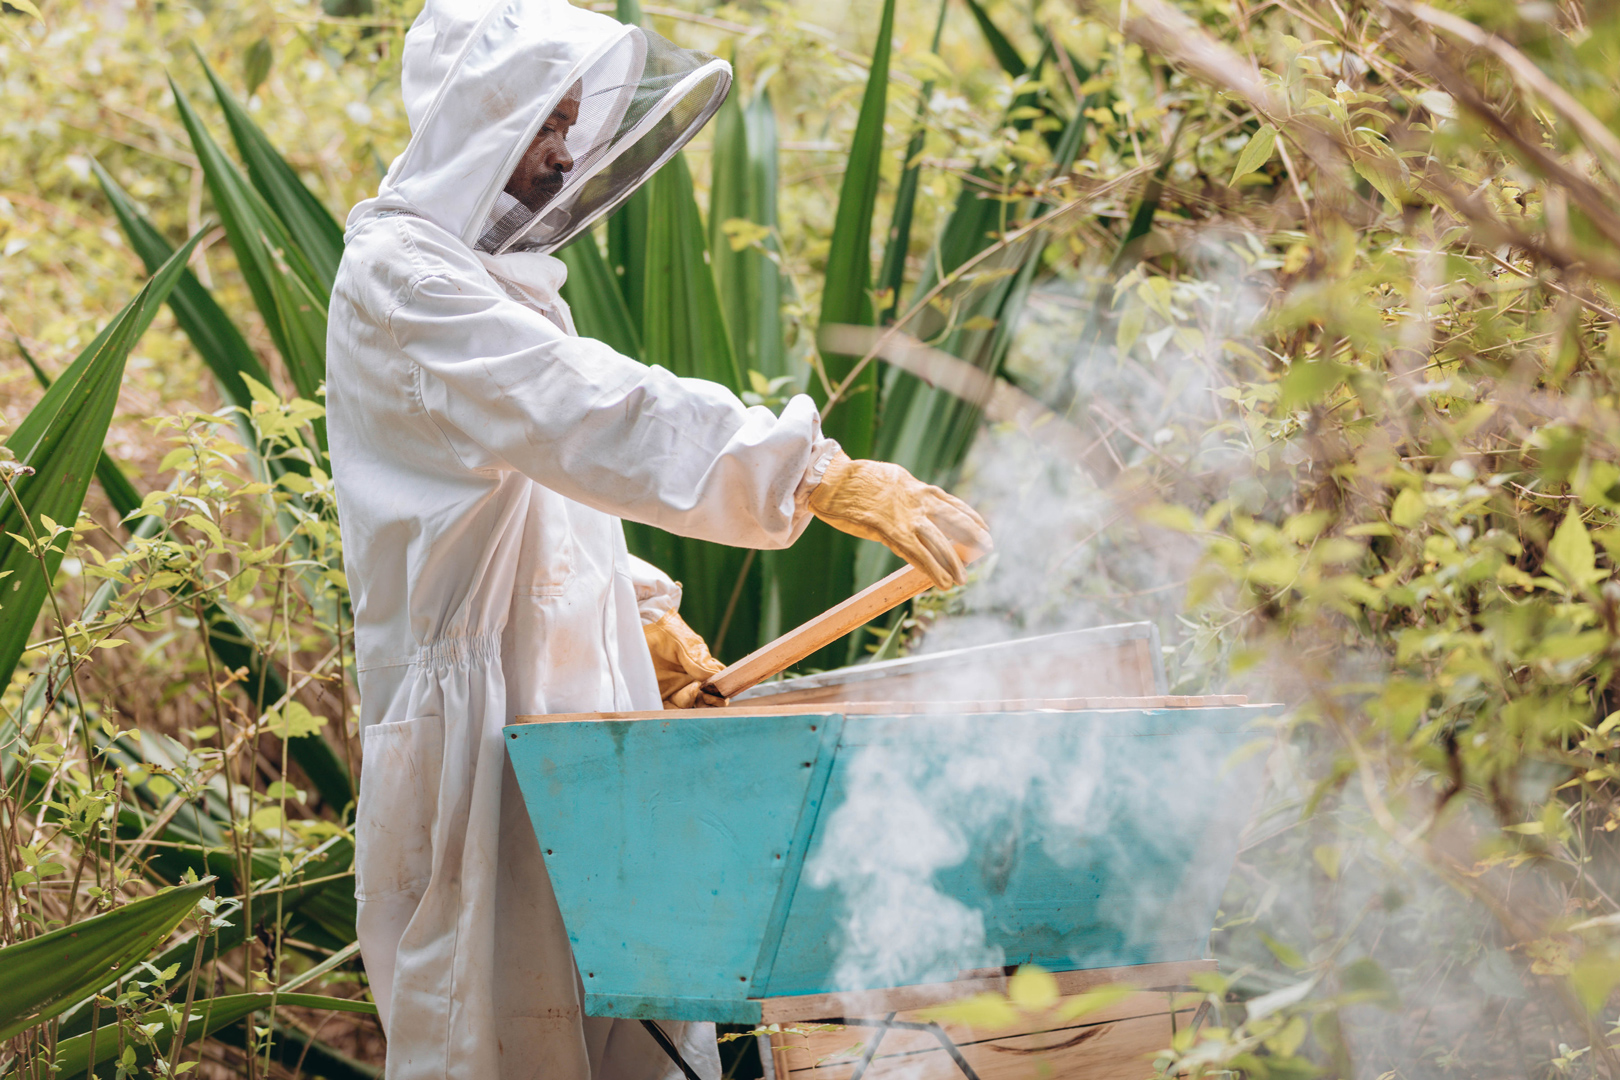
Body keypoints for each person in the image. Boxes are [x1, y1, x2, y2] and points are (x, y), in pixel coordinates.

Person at [325, 0, 992, 1077]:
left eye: (570, 124)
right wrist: (810, 471)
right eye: (549, 124)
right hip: (478, 720)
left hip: (565, 704)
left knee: (626, 1014)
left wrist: (640, 612)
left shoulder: (489, 283)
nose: (564, 154)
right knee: (500, 1032)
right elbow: (585, 411)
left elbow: (541, 490)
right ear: (482, 116)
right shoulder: (404, 276)